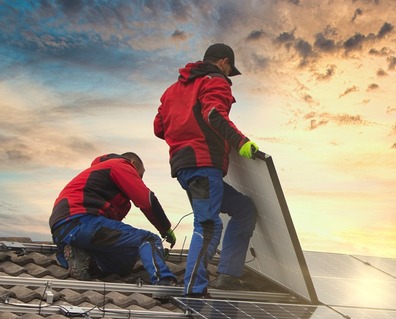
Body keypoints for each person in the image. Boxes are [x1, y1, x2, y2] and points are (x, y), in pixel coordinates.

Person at [154, 43, 262, 297]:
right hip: (203, 164)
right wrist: (241, 143)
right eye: (229, 69)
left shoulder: (172, 90)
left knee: (244, 209)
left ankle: (229, 275)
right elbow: (214, 113)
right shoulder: (215, 80)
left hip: (184, 168)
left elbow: (159, 128)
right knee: (208, 225)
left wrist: (184, 128)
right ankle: (194, 289)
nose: (228, 75)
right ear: (224, 62)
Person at [49, 152, 178, 285]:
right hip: (82, 220)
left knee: (124, 263)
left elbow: (112, 236)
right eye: (140, 175)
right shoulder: (120, 165)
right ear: (132, 163)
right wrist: (165, 229)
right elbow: (147, 201)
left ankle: (78, 258)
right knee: (149, 240)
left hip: (62, 230)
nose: (140, 179)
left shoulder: (100, 175)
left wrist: (152, 254)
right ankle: (163, 281)